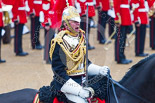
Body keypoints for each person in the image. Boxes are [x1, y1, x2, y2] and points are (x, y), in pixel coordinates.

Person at [38, 3, 110, 103]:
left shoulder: (81, 38)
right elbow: (59, 74)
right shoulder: (59, 42)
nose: (78, 23)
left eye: (78, 21)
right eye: (74, 21)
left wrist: (99, 70)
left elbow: (84, 64)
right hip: (66, 86)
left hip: (83, 81)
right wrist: (79, 91)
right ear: (66, 23)